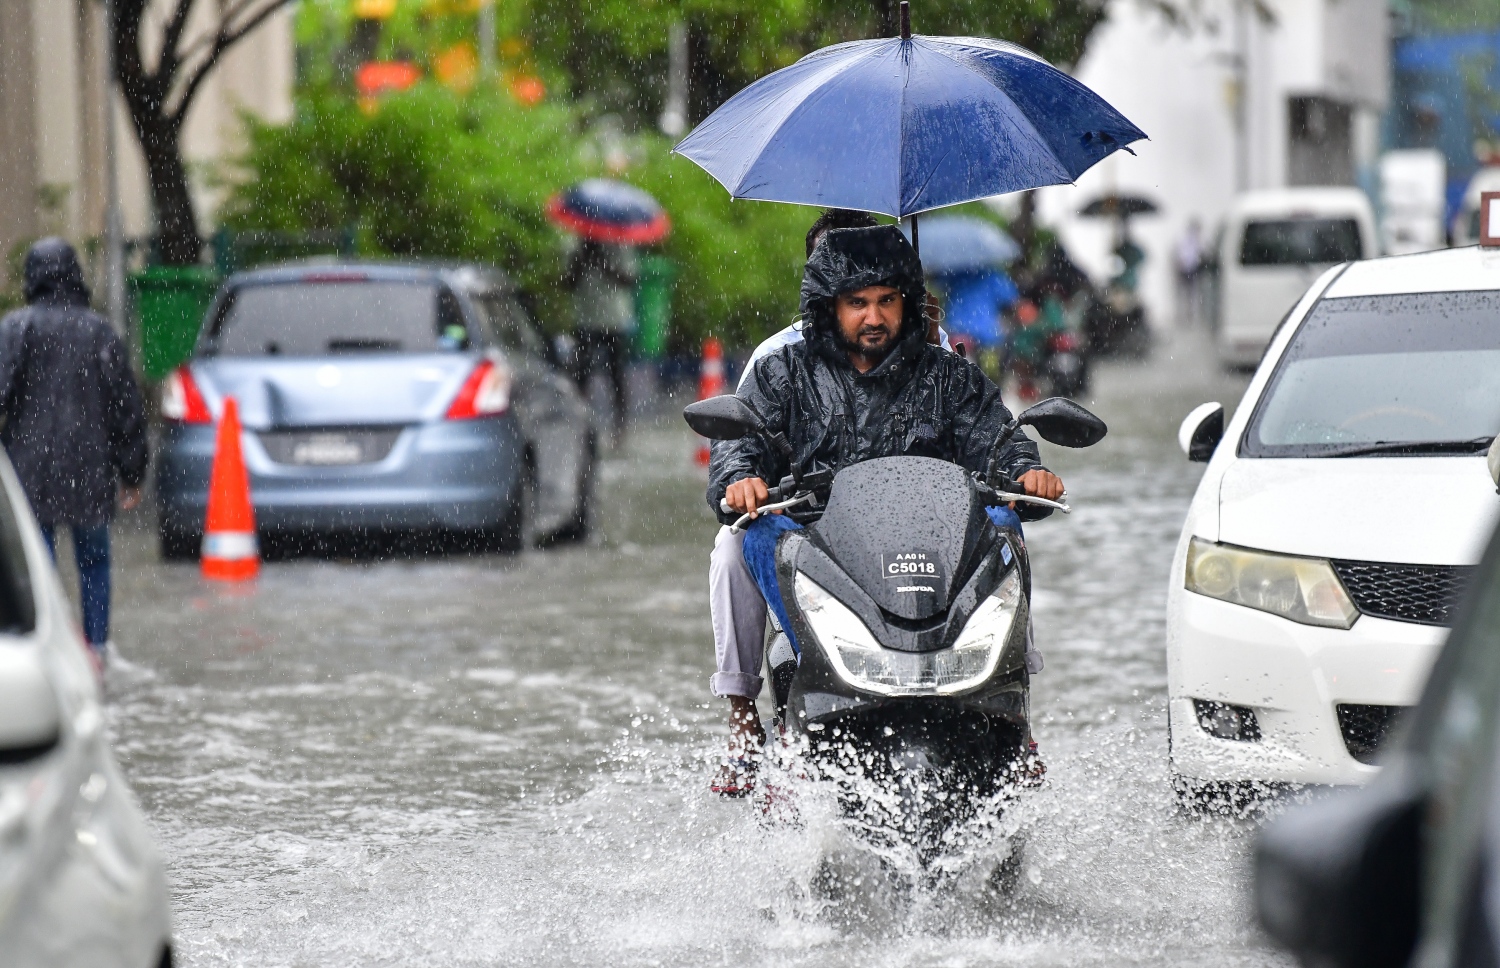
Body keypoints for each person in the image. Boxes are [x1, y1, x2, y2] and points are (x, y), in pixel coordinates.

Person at [708, 225, 1064, 792]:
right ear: (830, 305)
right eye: (857, 303)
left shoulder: (949, 374)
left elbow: (998, 441)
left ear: (907, 302)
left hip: (932, 553)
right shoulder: (782, 370)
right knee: (745, 537)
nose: (873, 317)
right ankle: (754, 714)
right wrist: (742, 479)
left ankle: (1011, 714)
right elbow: (737, 444)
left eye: (885, 301)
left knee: (1003, 526)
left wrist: (1026, 471)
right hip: (822, 546)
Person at [0, 238, 147, 662]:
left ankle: (44, 649)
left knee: (39, 569)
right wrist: (133, 472)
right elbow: (126, 408)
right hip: (88, 471)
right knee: (94, 562)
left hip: (27, 473)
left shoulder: (15, 329)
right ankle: (97, 650)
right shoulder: (99, 331)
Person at [562, 238, 638, 442]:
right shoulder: (577, 245)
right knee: (581, 373)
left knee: (615, 374)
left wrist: (604, 261)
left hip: (614, 319)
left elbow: (629, 278)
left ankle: (620, 425)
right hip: (586, 318)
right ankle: (580, 423)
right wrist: (581, 258)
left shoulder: (620, 244)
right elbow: (568, 281)